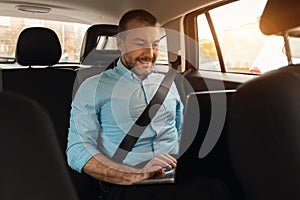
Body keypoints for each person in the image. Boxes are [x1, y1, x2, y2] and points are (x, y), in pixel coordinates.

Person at [67, 9, 231, 200]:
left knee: (219, 188)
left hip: (175, 175)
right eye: (140, 44)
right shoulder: (93, 87)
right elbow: (77, 150)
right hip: (128, 182)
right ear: (120, 44)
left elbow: (181, 133)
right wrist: (134, 175)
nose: (150, 54)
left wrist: (185, 163)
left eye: (155, 45)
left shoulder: (170, 83)